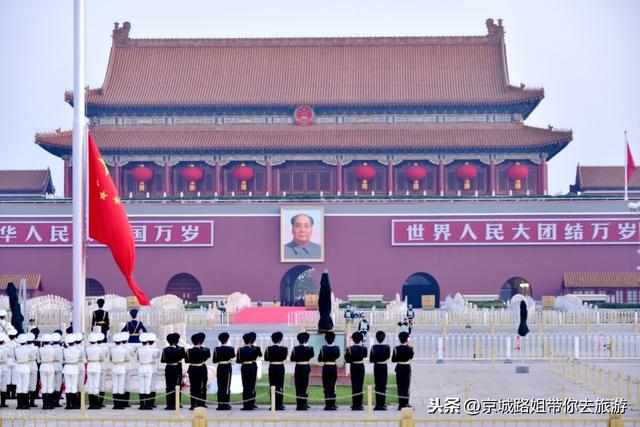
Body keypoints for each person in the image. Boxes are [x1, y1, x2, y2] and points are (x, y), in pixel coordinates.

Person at [236, 332, 262, 410]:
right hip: (252, 367)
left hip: (244, 367)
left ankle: (246, 404)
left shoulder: (240, 349)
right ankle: (251, 403)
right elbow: (260, 355)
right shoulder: (255, 349)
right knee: (252, 385)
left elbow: (238, 361)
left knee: (245, 386)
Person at [290, 331, 314, 411]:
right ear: (306, 340)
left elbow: (292, 359)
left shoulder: (295, 349)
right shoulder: (309, 348)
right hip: (306, 367)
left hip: (298, 367)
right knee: (305, 385)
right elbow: (311, 355)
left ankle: (299, 404)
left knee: (298, 386)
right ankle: (304, 403)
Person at [161, 332, 185, 411]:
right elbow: (183, 357)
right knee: (177, 386)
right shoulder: (180, 349)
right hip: (177, 369)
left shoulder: (165, 350)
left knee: (169, 386)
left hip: (168, 368)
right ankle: (177, 403)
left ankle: (169, 404)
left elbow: (162, 360)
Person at [185, 332, 210, 410]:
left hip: (192, 369)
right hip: (202, 369)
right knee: (203, 387)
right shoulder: (205, 350)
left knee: (193, 387)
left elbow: (186, 361)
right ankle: (202, 403)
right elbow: (207, 356)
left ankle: (193, 404)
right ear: (200, 341)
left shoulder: (189, 351)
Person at [264, 331, 288, 410]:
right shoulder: (284, 349)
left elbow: (266, 358)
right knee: (280, 385)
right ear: (280, 339)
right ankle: (279, 404)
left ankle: (273, 404)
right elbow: (284, 358)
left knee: (272, 385)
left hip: (272, 367)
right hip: (280, 367)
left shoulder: (269, 349)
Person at [211, 332, 234, 411]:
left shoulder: (216, 349)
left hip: (220, 367)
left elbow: (214, 360)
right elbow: (233, 357)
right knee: (227, 386)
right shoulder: (230, 349)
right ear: (227, 339)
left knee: (220, 385)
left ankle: (220, 404)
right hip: (227, 367)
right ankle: (226, 404)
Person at [344, 331, 367, 410]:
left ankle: (355, 404)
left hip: (353, 366)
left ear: (353, 339)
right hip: (361, 366)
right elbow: (365, 355)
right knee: (360, 385)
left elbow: (347, 360)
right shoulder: (364, 348)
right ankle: (359, 404)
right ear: (361, 339)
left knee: (354, 385)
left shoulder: (349, 349)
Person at [318, 331, 340, 411]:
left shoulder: (323, 348)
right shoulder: (337, 348)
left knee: (326, 386)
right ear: (334, 339)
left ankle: (327, 405)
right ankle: (332, 404)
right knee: (333, 386)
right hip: (333, 367)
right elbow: (337, 356)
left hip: (326, 367)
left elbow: (319, 359)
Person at [392, 331, 414, 410]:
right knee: (406, 386)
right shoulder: (410, 348)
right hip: (406, 367)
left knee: (400, 386)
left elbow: (393, 360)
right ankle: (406, 403)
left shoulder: (396, 348)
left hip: (399, 367)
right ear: (407, 339)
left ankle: (401, 404)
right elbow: (411, 357)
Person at [369, 330, 390, 410]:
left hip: (377, 366)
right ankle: (383, 403)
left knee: (377, 385)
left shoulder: (374, 347)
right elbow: (388, 357)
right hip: (384, 366)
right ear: (384, 338)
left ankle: (378, 404)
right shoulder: (387, 347)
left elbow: (371, 359)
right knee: (383, 385)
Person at [137, 333, 159, 410]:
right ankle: (148, 405)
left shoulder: (139, 349)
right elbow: (156, 356)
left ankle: (142, 404)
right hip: (148, 368)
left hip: (141, 367)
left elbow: (138, 359)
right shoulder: (152, 349)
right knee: (147, 387)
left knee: (141, 387)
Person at [110, 332, 130, 410]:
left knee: (115, 386)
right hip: (121, 367)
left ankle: (116, 404)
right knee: (121, 386)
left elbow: (111, 359)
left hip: (115, 367)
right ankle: (120, 404)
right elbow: (127, 358)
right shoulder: (124, 349)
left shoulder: (112, 349)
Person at [63, 333, 83, 410]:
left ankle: (68, 404)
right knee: (74, 387)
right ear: (74, 342)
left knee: (68, 387)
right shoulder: (78, 351)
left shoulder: (65, 350)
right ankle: (74, 404)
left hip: (67, 368)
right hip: (74, 368)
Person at [85, 332, 103, 410]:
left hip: (90, 366)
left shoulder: (87, 348)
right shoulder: (99, 349)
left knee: (90, 385)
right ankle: (96, 404)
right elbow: (102, 358)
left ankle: (91, 404)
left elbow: (85, 358)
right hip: (96, 366)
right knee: (96, 385)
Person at [14, 334, 31, 409]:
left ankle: (19, 404)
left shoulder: (16, 349)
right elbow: (30, 357)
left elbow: (15, 359)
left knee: (19, 385)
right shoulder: (28, 349)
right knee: (25, 385)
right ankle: (25, 404)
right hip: (25, 367)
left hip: (18, 367)